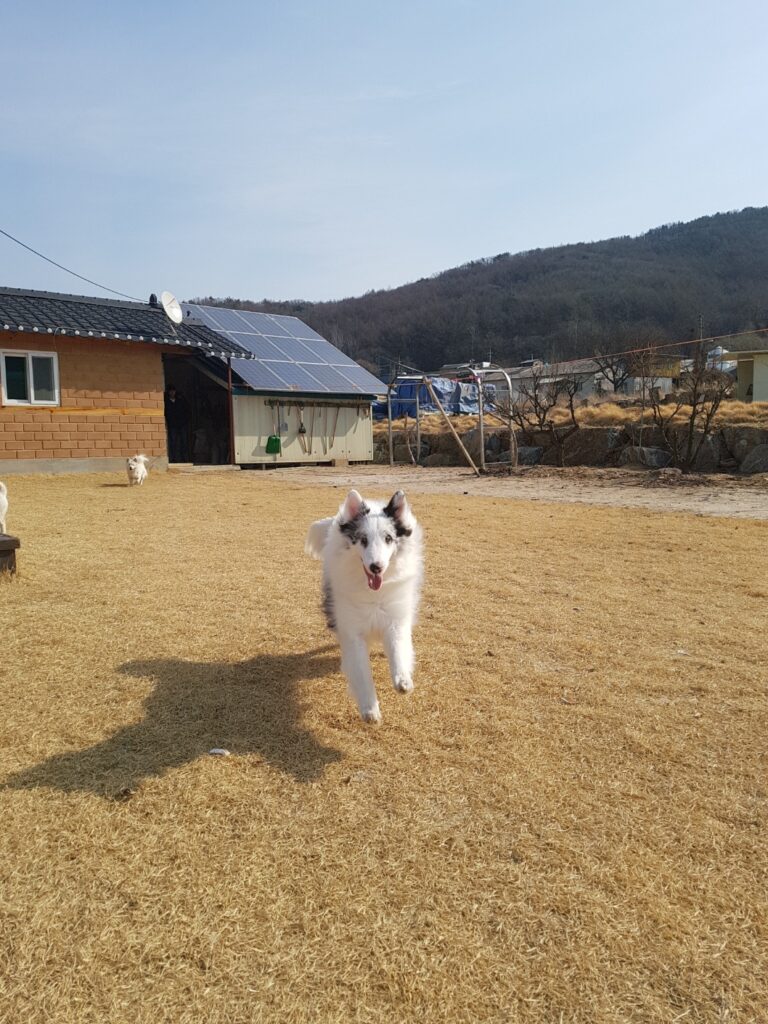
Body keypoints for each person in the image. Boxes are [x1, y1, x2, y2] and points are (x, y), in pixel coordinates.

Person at [164, 385, 190, 463]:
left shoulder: (181, 400)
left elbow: (187, 411)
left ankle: (184, 459)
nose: (172, 392)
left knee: (184, 442)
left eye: (173, 391)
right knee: (173, 443)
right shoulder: (166, 402)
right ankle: (173, 459)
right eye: (170, 391)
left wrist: (185, 421)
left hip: (182, 425)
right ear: (168, 392)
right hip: (172, 425)